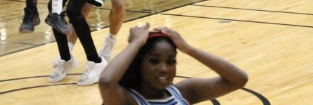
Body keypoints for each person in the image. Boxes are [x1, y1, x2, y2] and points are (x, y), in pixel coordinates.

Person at [98, 23, 249, 105]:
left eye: (171, 61)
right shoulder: (128, 100)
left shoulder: (184, 92)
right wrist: (136, 43)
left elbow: (238, 79)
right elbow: (106, 81)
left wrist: (189, 49)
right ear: (139, 64)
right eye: (154, 61)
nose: (164, 68)